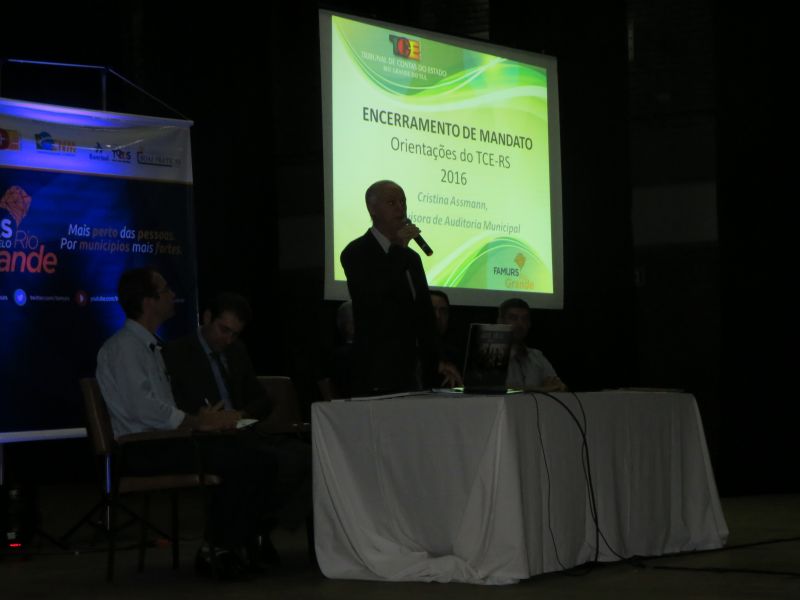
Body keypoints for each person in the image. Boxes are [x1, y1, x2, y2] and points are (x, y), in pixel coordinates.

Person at [96, 268, 273, 579]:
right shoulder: (124, 348)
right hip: (142, 450)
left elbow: (160, 407)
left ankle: (232, 543)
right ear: (148, 302)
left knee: (250, 451)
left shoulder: (150, 346)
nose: (172, 295)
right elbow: (142, 409)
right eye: (165, 290)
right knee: (241, 457)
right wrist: (197, 422)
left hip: (164, 442)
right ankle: (220, 547)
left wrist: (206, 420)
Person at [162, 292, 311, 558]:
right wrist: (211, 420)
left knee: (308, 457)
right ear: (207, 318)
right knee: (265, 462)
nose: (228, 339)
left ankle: (257, 524)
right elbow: (174, 407)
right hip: (208, 436)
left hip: (243, 429)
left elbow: (262, 399)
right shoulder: (177, 353)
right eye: (224, 330)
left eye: (235, 334)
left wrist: (241, 413)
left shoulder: (236, 351)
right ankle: (246, 532)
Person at [340, 180, 461, 394]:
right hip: (378, 370)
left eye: (403, 202)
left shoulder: (411, 257)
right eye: (392, 202)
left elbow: (424, 313)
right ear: (372, 208)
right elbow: (373, 299)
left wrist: (439, 358)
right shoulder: (356, 252)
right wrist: (398, 247)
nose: (400, 208)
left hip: (417, 369)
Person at [497, 297, 567, 392]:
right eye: (513, 318)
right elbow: (492, 390)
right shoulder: (489, 355)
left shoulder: (537, 356)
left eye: (524, 319)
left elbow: (556, 386)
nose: (520, 323)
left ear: (529, 324)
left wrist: (559, 387)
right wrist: (540, 389)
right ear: (500, 322)